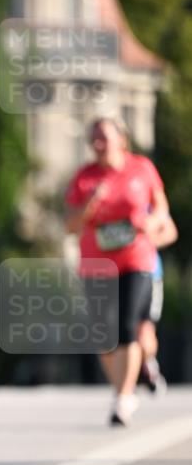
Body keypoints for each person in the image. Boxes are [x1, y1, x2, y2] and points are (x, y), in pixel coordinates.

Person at [65, 117, 171, 426]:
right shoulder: (84, 178)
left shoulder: (142, 169)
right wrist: (89, 205)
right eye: (93, 139)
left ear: (121, 140)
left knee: (128, 326)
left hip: (136, 259)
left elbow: (161, 208)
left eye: (103, 138)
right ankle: (124, 387)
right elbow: (70, 227)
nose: (97, 145)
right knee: (103, 336)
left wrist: (152, 223)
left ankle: (124, 398)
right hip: (96, 265)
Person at [137, 210, 178, 394]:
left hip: (150, 275)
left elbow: (170, 232)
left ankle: (148, 363)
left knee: (145, 329)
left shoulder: (148, 199)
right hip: (115, 276)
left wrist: (145, 244)